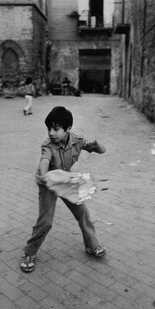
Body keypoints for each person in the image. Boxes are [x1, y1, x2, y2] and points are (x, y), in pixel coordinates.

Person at [21, 106, 107, 273]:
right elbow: (44, 161)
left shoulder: (77, 140)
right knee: (45, 222)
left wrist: (97, 145)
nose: (51, 133)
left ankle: (92, 245)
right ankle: (29, 252)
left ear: (67, 129)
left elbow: (101, 150)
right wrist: (43, 175)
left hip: (66, 181)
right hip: (48, 184)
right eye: (49, 128)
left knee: (83, 214)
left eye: (55, 129)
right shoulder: (47, 144)